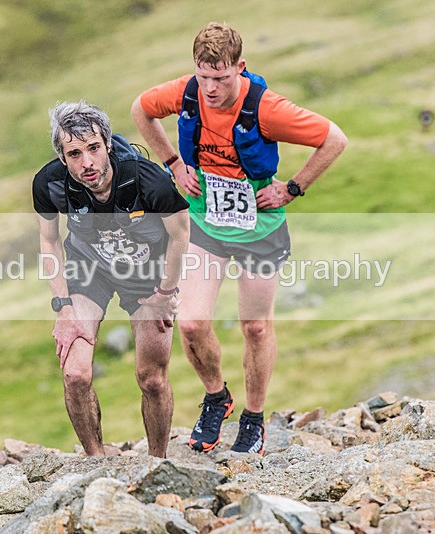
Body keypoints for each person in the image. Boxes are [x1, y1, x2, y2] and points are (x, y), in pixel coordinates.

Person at [131, 22, 347, 455]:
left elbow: (334, 139)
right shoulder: (187, 92)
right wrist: (173, 163)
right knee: (191, 323)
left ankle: (253, 418)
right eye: (204, 76)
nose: (210, 88)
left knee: (256, 327)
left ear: (240, 68)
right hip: (205, 224)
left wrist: (292, 188)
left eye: (221, 78)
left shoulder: (267, 109)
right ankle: (216, 397)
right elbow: (141, 109)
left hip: (259, 231)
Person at [33, 101, 190, 457]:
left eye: (93, 148)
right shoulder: (49, 184)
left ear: (106, 143)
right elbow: (49, 240)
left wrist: (166, 292)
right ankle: (95, 460)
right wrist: (63, 307)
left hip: (148, 276)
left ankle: (157, 462)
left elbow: (181, 233)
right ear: (62, 157)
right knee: (75, 374)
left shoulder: (147, 178)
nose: (86, 162)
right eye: (74, 153)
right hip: (90, 271)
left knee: (151, 378)